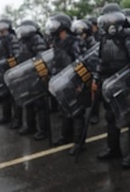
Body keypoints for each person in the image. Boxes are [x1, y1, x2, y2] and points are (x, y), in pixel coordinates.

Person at [93, 4, 130, 169]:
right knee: (111, 117)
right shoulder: (103, 38)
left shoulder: (129, 36)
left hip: (126, 82)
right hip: (109, 83)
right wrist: (96, 79)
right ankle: (113, 149)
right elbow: (100, 62)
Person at [48, 14, 84, 155]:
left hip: (73, 81)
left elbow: (80, 62)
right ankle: (65, 137)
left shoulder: (74, 42)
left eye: (55, 24)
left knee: (77, 112)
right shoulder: (56, 42)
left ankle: (79, 143)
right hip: (61, 81)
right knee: (65, 111)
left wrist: (80, 83)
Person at [14, 20, 49, 140]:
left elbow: (41, 58)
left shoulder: (37, 39)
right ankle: (30, 126)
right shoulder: (22, 42)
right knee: (28, 102)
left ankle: (43, 130)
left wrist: (41, 75)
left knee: (40, 104)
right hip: (26, 75)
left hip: (36, 75)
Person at [0, 19, 22, 128]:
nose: (0, 27)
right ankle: (6, 116)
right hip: (2, 71)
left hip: (11, 70)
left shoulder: (12, 39)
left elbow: (15, 56)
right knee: (4, 95)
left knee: (14, 96)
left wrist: (6, 63)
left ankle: (17, 120)